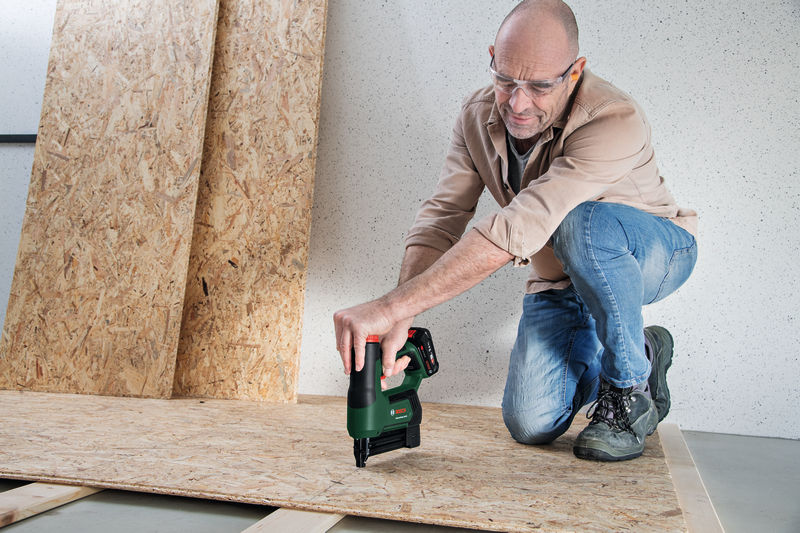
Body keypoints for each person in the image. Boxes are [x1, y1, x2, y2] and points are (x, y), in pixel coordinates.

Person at [333, 0, 697, 461]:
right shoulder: (476, 116)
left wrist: (389, 306)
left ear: (575, 72)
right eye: (506, 81)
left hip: (652, 255)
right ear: (493, 58)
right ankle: (640, 349)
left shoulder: (613, 119)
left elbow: (519, 225)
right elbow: (443, 216)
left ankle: (628, 389)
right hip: (559, 275)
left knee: (581, 224)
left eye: (540, 86)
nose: (518, 103)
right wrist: (400, 316)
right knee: (531, 423)